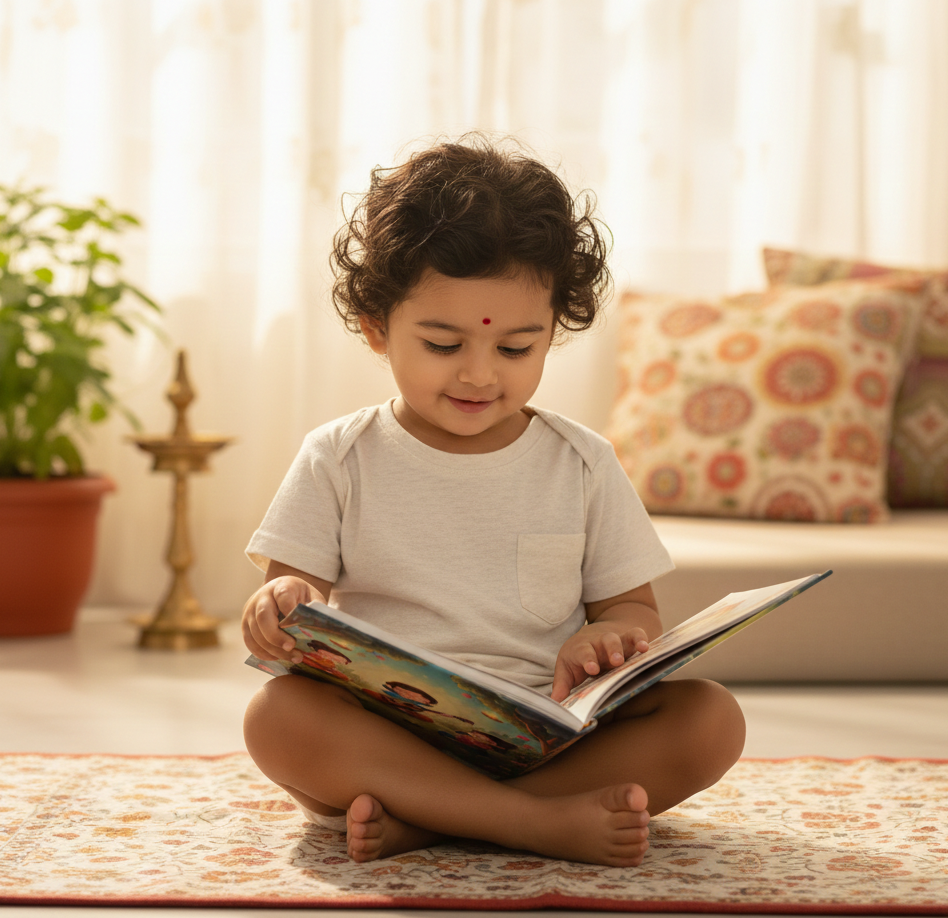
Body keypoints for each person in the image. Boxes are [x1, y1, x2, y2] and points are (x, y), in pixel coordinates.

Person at [241, 135, 746, 867]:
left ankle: (438, 821)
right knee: (277, 715)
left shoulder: (580, 461)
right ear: (376, 327)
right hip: (389, 740)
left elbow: (634, 613)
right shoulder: (339, 455)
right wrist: (278, 607)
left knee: (709, 718)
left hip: (548, 739)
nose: (479, 374)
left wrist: (605, 640)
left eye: (515, 349)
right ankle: (529, 823)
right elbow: (288, 604)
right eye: (444, 344)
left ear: (552, 332)